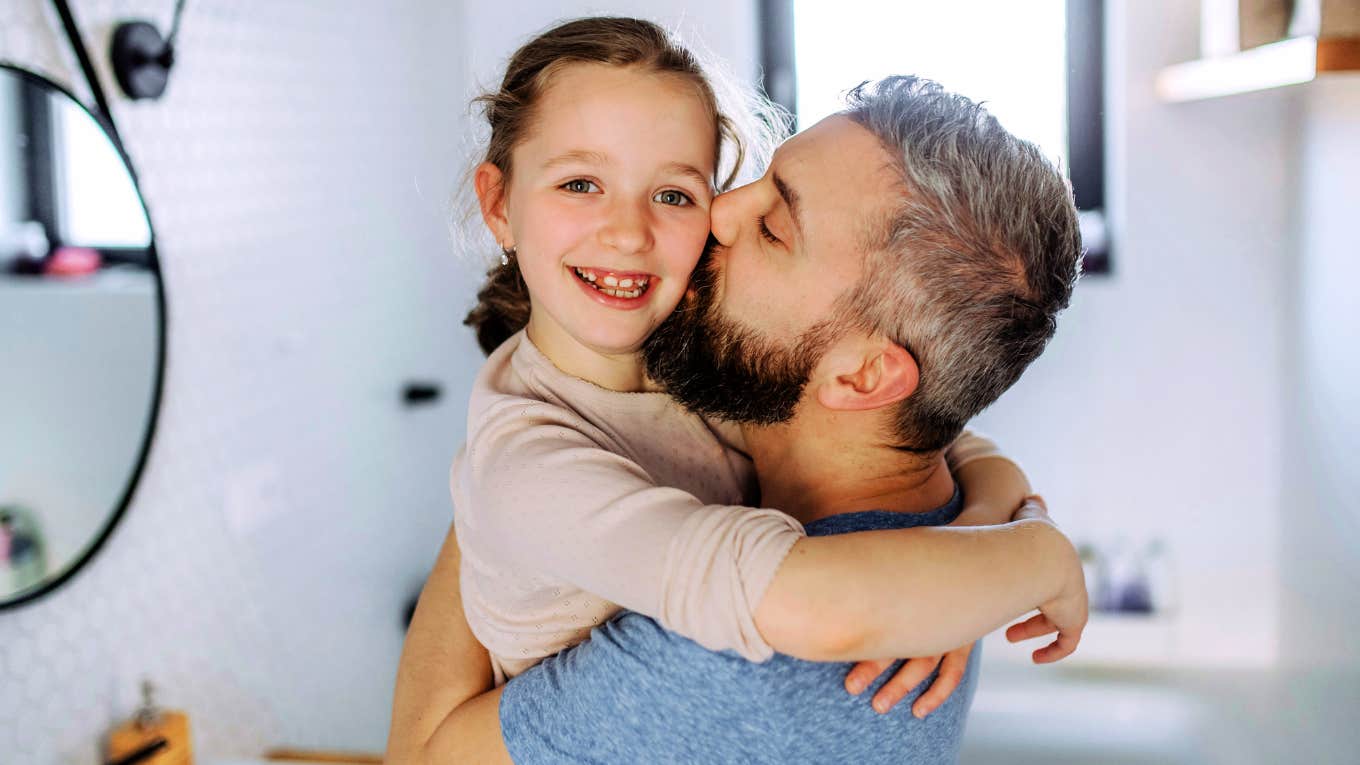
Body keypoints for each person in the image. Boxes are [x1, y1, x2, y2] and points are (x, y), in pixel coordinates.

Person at [386, 19, 1087, 764]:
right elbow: (961, 447)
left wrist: (1021, 545)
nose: (721, 212)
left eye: (774, 227)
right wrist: (1013, 539)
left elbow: (422, 755)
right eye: (581, 184)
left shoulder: (733, 663)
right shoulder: (914, 510)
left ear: (863, 377)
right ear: (499, 202)